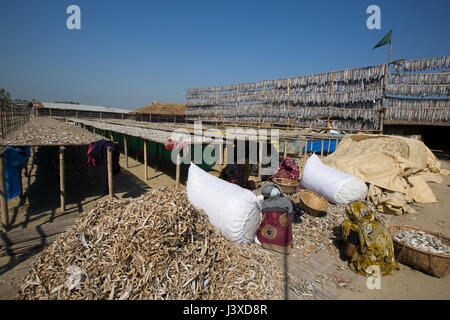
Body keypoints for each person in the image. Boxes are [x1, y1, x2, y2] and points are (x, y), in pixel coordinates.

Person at [340, 200, 399, 277]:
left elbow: (348, 254)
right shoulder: (378, 221)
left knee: (346, 225)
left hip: (370, 267)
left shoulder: (357, 229)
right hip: (387, 264)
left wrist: (344, 248)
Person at [256, 184, 293, 254]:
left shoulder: (264, 206)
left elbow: (259, 219)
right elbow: (291, 218)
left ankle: (267, 244)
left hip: (267, 239)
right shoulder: (287, 203)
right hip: (285, 243)